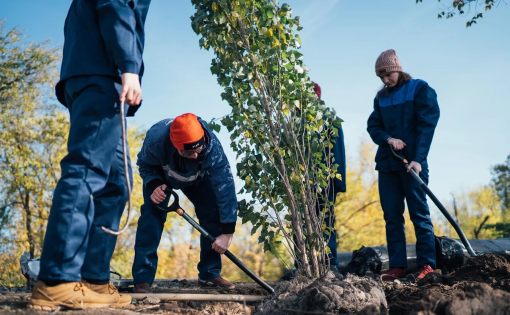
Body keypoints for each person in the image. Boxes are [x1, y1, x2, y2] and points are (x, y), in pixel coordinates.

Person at [30, 0, 151, 310]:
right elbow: (115, 6)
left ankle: (93, 279)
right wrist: (128, 65)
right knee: (86, 172)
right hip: (100, 74)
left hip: (100, 75)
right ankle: (56, 280)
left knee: (116, 182)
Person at [132, 113, 238, 293]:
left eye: (199, 150)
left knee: (212, 213)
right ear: (175, 146)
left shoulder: (212, 147)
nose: (196, 155)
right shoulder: (156, 141)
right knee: (151, 219)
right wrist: (154, 183)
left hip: (198, 179)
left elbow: (225, 185)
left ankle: (209, 274)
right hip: (162, 177)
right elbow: (144, 164)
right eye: (189, 152)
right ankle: (142, 279)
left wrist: (228, 232)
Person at [367, 49, 440, 281]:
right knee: (392, 216)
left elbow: (427, 124)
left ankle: (427, 265)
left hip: (413, 165)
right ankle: (397, 266)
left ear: (397, 69)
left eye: (387, 75)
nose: (385, 80)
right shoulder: (381, 98)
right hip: (388, 165)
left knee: (419, 214)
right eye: (381, 77)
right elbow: (373, 127)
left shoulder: (419, 89)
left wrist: (418, 159)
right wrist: (388, 139)